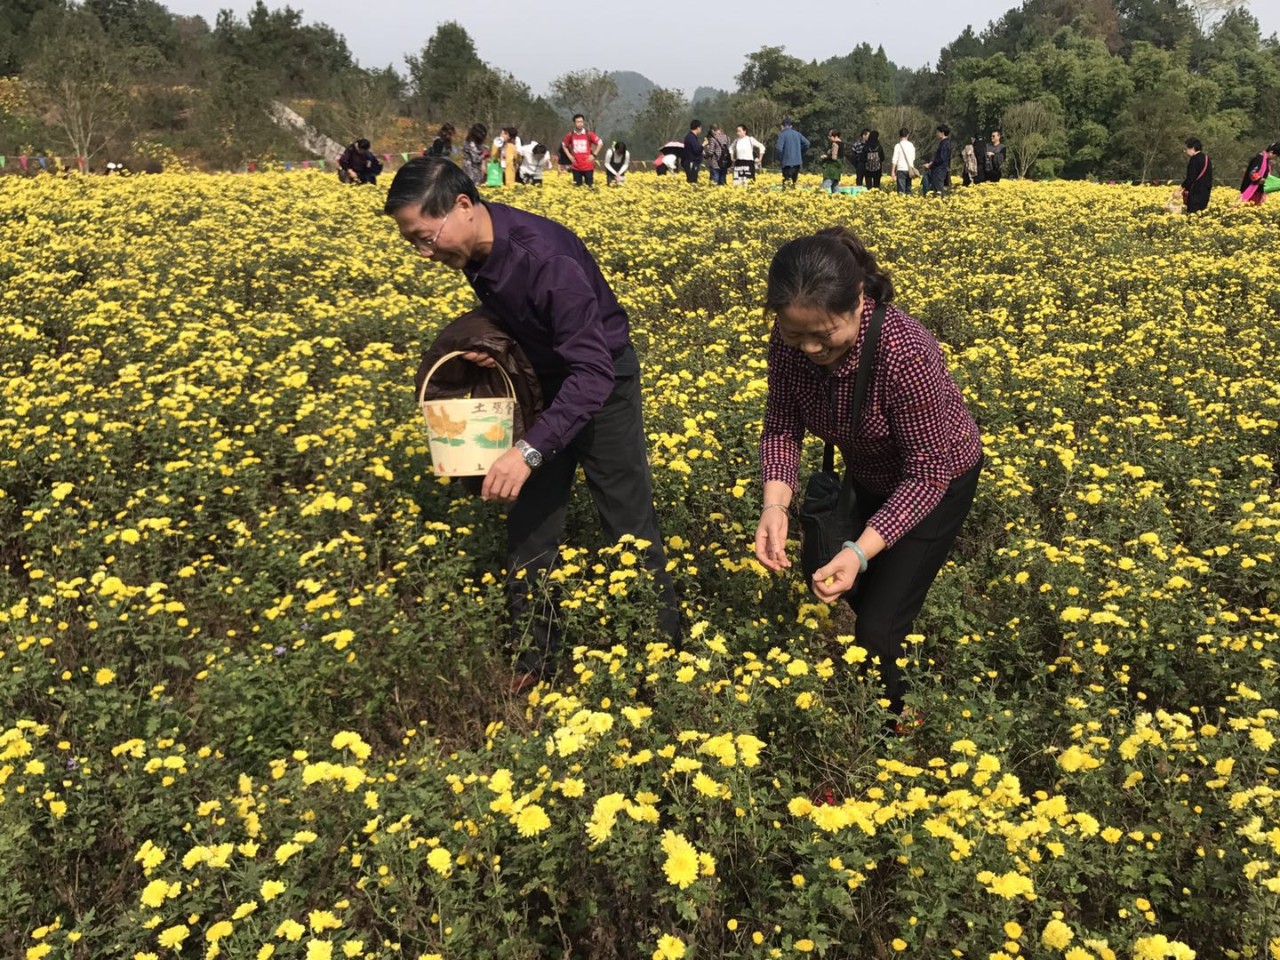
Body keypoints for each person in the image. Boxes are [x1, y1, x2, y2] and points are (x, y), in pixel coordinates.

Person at [383, 158, 681, 685]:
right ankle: (534, 658)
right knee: (529, 524)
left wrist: (528, 450)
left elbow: (593, 370)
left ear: (463, 206)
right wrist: (488, 344)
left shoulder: (544, 258)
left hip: (602, 385)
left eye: (427, 238)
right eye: (415, 244)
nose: (426, 254)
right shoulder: (477, 251)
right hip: (541, 383)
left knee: (627, 523)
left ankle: (660, 660)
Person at [755, 226, 983, 724]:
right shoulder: (788, 343)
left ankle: (890, 724)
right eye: (795, 335)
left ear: (859, 299)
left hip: (938, 481)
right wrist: (774, 506)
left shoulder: (905, 354)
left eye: (823, 335)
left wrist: (859, 550)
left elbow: (927, 473)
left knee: (878, 625)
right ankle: (885, 666)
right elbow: (781, 424)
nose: (810, 349)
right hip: (869, 470)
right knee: (861, 591)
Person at [563, 114, 602, 187]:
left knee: (590, 188)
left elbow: (600, 143)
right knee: (577, 188)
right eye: (578, 122)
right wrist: (569, 156)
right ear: (574, 123)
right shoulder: (571, 134)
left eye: (581, 122)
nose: (580, 124)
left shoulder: (588, 134)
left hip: (588, 166)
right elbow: (564, 145)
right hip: (576, 167)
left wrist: (594, 155)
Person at [1176, 137, 1213, 213]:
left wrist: (1179, 189)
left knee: (1192, 216)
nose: (1185, 151)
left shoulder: (1194, 160)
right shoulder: (1206, 158)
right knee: (1200, 216)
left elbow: (1190, 179)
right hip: (1205, 193)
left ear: (1192, 148)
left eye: (1186, 149)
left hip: (1195, 194)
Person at [776, 118, 810, 188]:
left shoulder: (782, 135)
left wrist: (780, 158)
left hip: (786, 163)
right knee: (794, 183)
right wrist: (800, 152)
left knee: (786, 183)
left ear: (782, 126)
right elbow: (807, 143)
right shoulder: (798, 134)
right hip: (797, 162)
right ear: (791, 126)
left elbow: (779, 149)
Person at [922, 125, 952, 197]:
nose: (936, 134)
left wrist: (930, 164)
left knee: (938, 189)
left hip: (939, 170)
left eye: (938, 132)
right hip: (942, 169)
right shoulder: (946, 143)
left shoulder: (944, 143)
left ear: (942, 133)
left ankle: (940, 203)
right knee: (938, 188)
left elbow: (941, 158)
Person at [890, 128, 916, 195]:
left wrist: (893, 171)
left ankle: (902, 202)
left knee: (901, 190)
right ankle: (908, 201)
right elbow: (913, 158)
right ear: (907, 135)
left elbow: (894, 159)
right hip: (909, 169)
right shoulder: (911, 145)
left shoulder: (898, 146)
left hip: (901, 169)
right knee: (908, 188)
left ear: (900, 135)